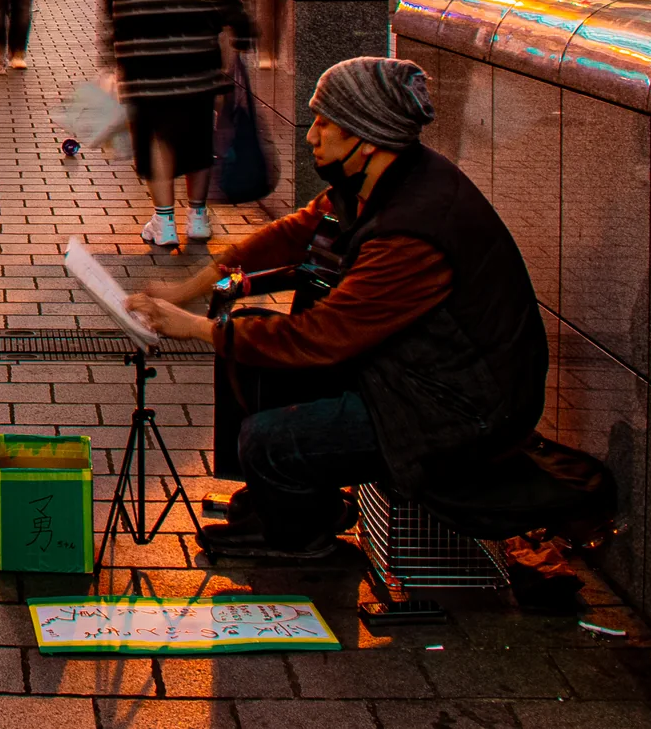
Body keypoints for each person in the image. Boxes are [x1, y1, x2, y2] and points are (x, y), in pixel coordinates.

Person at [125, 57, 548, 565]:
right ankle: (281, 499)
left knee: (269, 438)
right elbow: (288, 236)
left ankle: (302, 534)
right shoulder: (379, 183)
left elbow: (322, 337)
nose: (311, 136)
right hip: (410, 372)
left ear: (367, 138)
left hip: (459, 410)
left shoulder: (413, 229)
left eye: (327, 123)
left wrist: (195, 328)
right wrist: (186, 290)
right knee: (250, 342)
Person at [102, 0, 252, 251]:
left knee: (157, 137)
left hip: (142, 54)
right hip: (193, 51)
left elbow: (111, 3)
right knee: (197, 133)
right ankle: (198, 218)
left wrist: (111, 56)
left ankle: (164, 223)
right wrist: (238, 23)